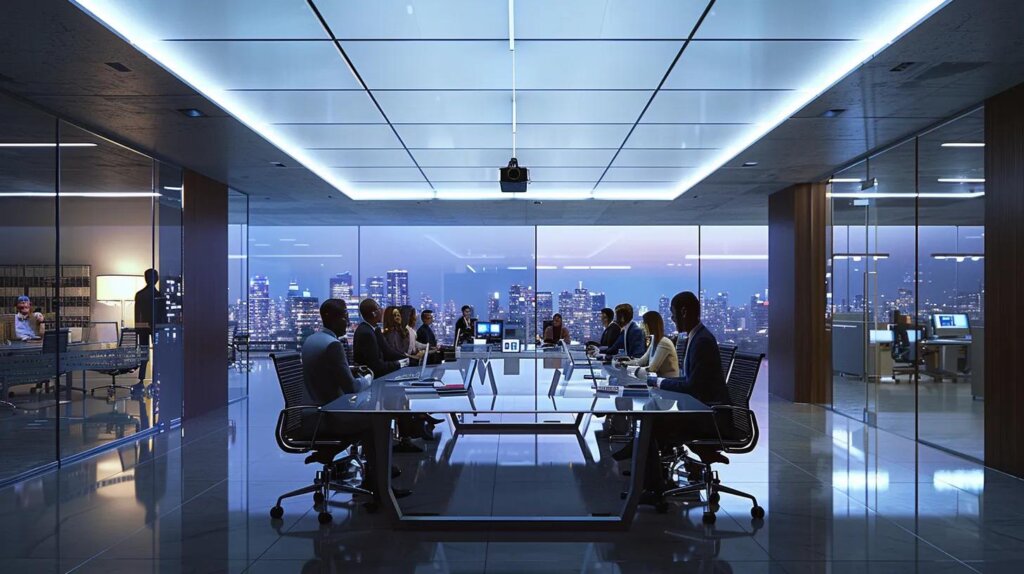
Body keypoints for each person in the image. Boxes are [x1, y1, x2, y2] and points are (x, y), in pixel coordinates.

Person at [628, 291, 730, 503]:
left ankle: (654, 486)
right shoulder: (698, 337)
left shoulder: (702, 341)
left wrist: (659, 382)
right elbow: (691, 381)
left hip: (712, 418)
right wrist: (660, 382)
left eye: (673, 313)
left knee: (651, 424)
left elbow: (692, 386)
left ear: (684, 312)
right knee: (652, 422)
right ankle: (652, 476)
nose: (672, 319)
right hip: (706, 410)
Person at [301, 299, 408, 500]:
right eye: (343, 317)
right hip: (329, 417)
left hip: (311, 412)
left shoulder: (313, 340)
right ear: (327, 317)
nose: (347, 322)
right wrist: (369, 376)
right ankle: (380, 486)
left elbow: (323, 370)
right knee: (378, 421)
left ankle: (374, 477)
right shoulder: (333, 345)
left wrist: (349, 370)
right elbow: (352, 387)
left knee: (371, 418)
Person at [353, 299, 408, 378]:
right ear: (374, 313)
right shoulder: (366, 333)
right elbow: (376, 367)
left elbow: (388, 352)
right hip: (372, 382)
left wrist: (408, 359)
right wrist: (400, 363)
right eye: (379, 309)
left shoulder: (374, 329)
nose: (382, 311)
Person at [623, 311, 679, 378]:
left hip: (667, 383)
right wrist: (625, 363)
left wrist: (630, 370)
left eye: (644, 324)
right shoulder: (654, 341)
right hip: (657, 382)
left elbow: (652, 369)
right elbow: (641, 362)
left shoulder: (664, 342)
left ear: (651, 324)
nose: (642, 327)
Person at [133, 268, 166, 384]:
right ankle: (148, 378)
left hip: (146, 327)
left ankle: (145, 379)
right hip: (151, 327)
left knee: (146, 353)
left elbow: (138, 314)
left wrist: (138, 327)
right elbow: (138, 313)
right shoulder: (157, 295)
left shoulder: (145, 294)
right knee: (149, 354)